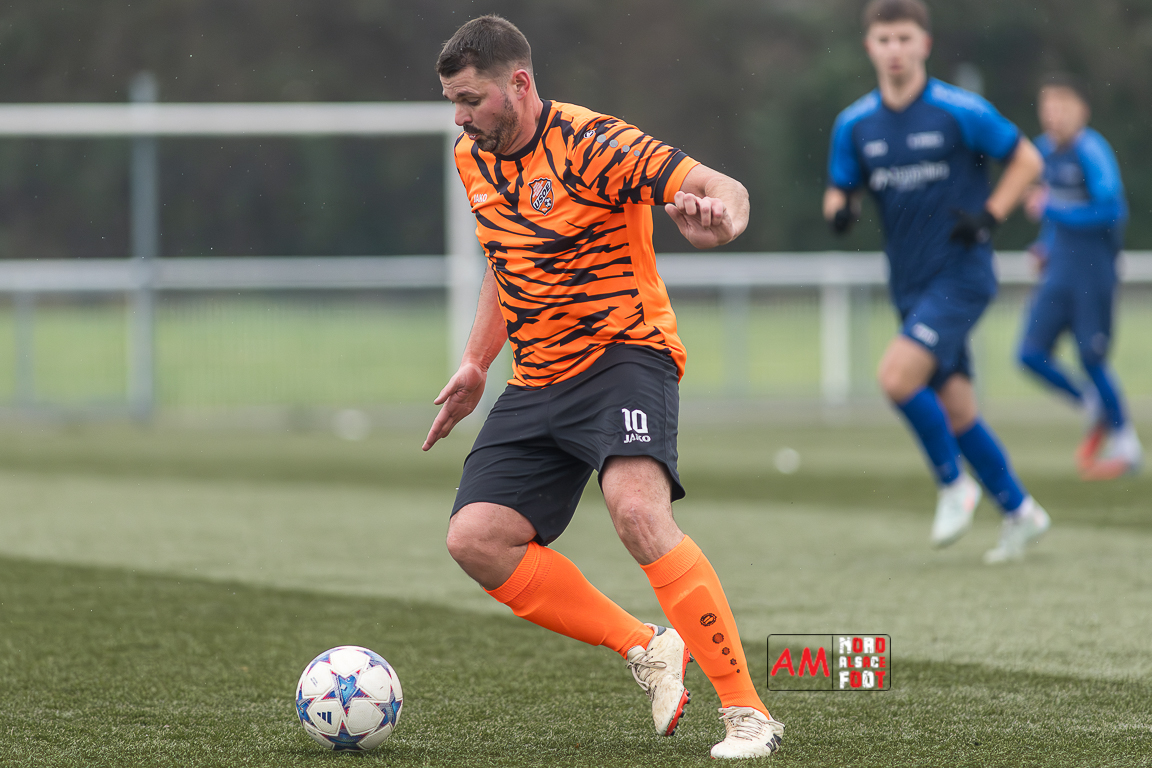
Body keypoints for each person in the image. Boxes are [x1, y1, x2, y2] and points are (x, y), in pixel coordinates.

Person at [423, 15, 783, 759]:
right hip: (537, 374)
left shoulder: (595, 143)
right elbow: (506, 261)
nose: (459, 117)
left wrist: (722, 222)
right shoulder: (471, 157)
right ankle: (647, 645)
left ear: (519, 84)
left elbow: (722, 189)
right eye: (453, 102)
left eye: (470, 100)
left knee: (637, 512)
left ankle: (748, 713)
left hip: (625, 355)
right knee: (476, 539)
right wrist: (476, 363)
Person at [823, 0, 1050, 564]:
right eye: (884, 40)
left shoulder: (959, 110)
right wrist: (840, 212)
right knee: (958, 412)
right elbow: (838, 190)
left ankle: (953, 484)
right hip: (910, 284)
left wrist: (991, 215)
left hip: (962, 275)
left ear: (924, 44)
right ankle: (1021, 511)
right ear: (870, 47)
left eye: (905, 38)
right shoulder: (854, 124)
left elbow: (1027, 160)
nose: (895, 50)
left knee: (896, 378)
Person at [1018, 74, 1142, 479]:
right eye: (1047, 108)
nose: (1053, 117)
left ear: (1080, 111)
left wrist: (1051, 210)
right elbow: (1053, 218)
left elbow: (1111, 212)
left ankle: (1127, 444)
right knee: (1030, 353)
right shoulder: (1042, 152)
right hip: (1060, 271)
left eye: (1061, 108)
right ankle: (1093, 406)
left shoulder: (1092, 150)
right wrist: (1045, 246)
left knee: (1092, 356)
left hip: (1094, 272)